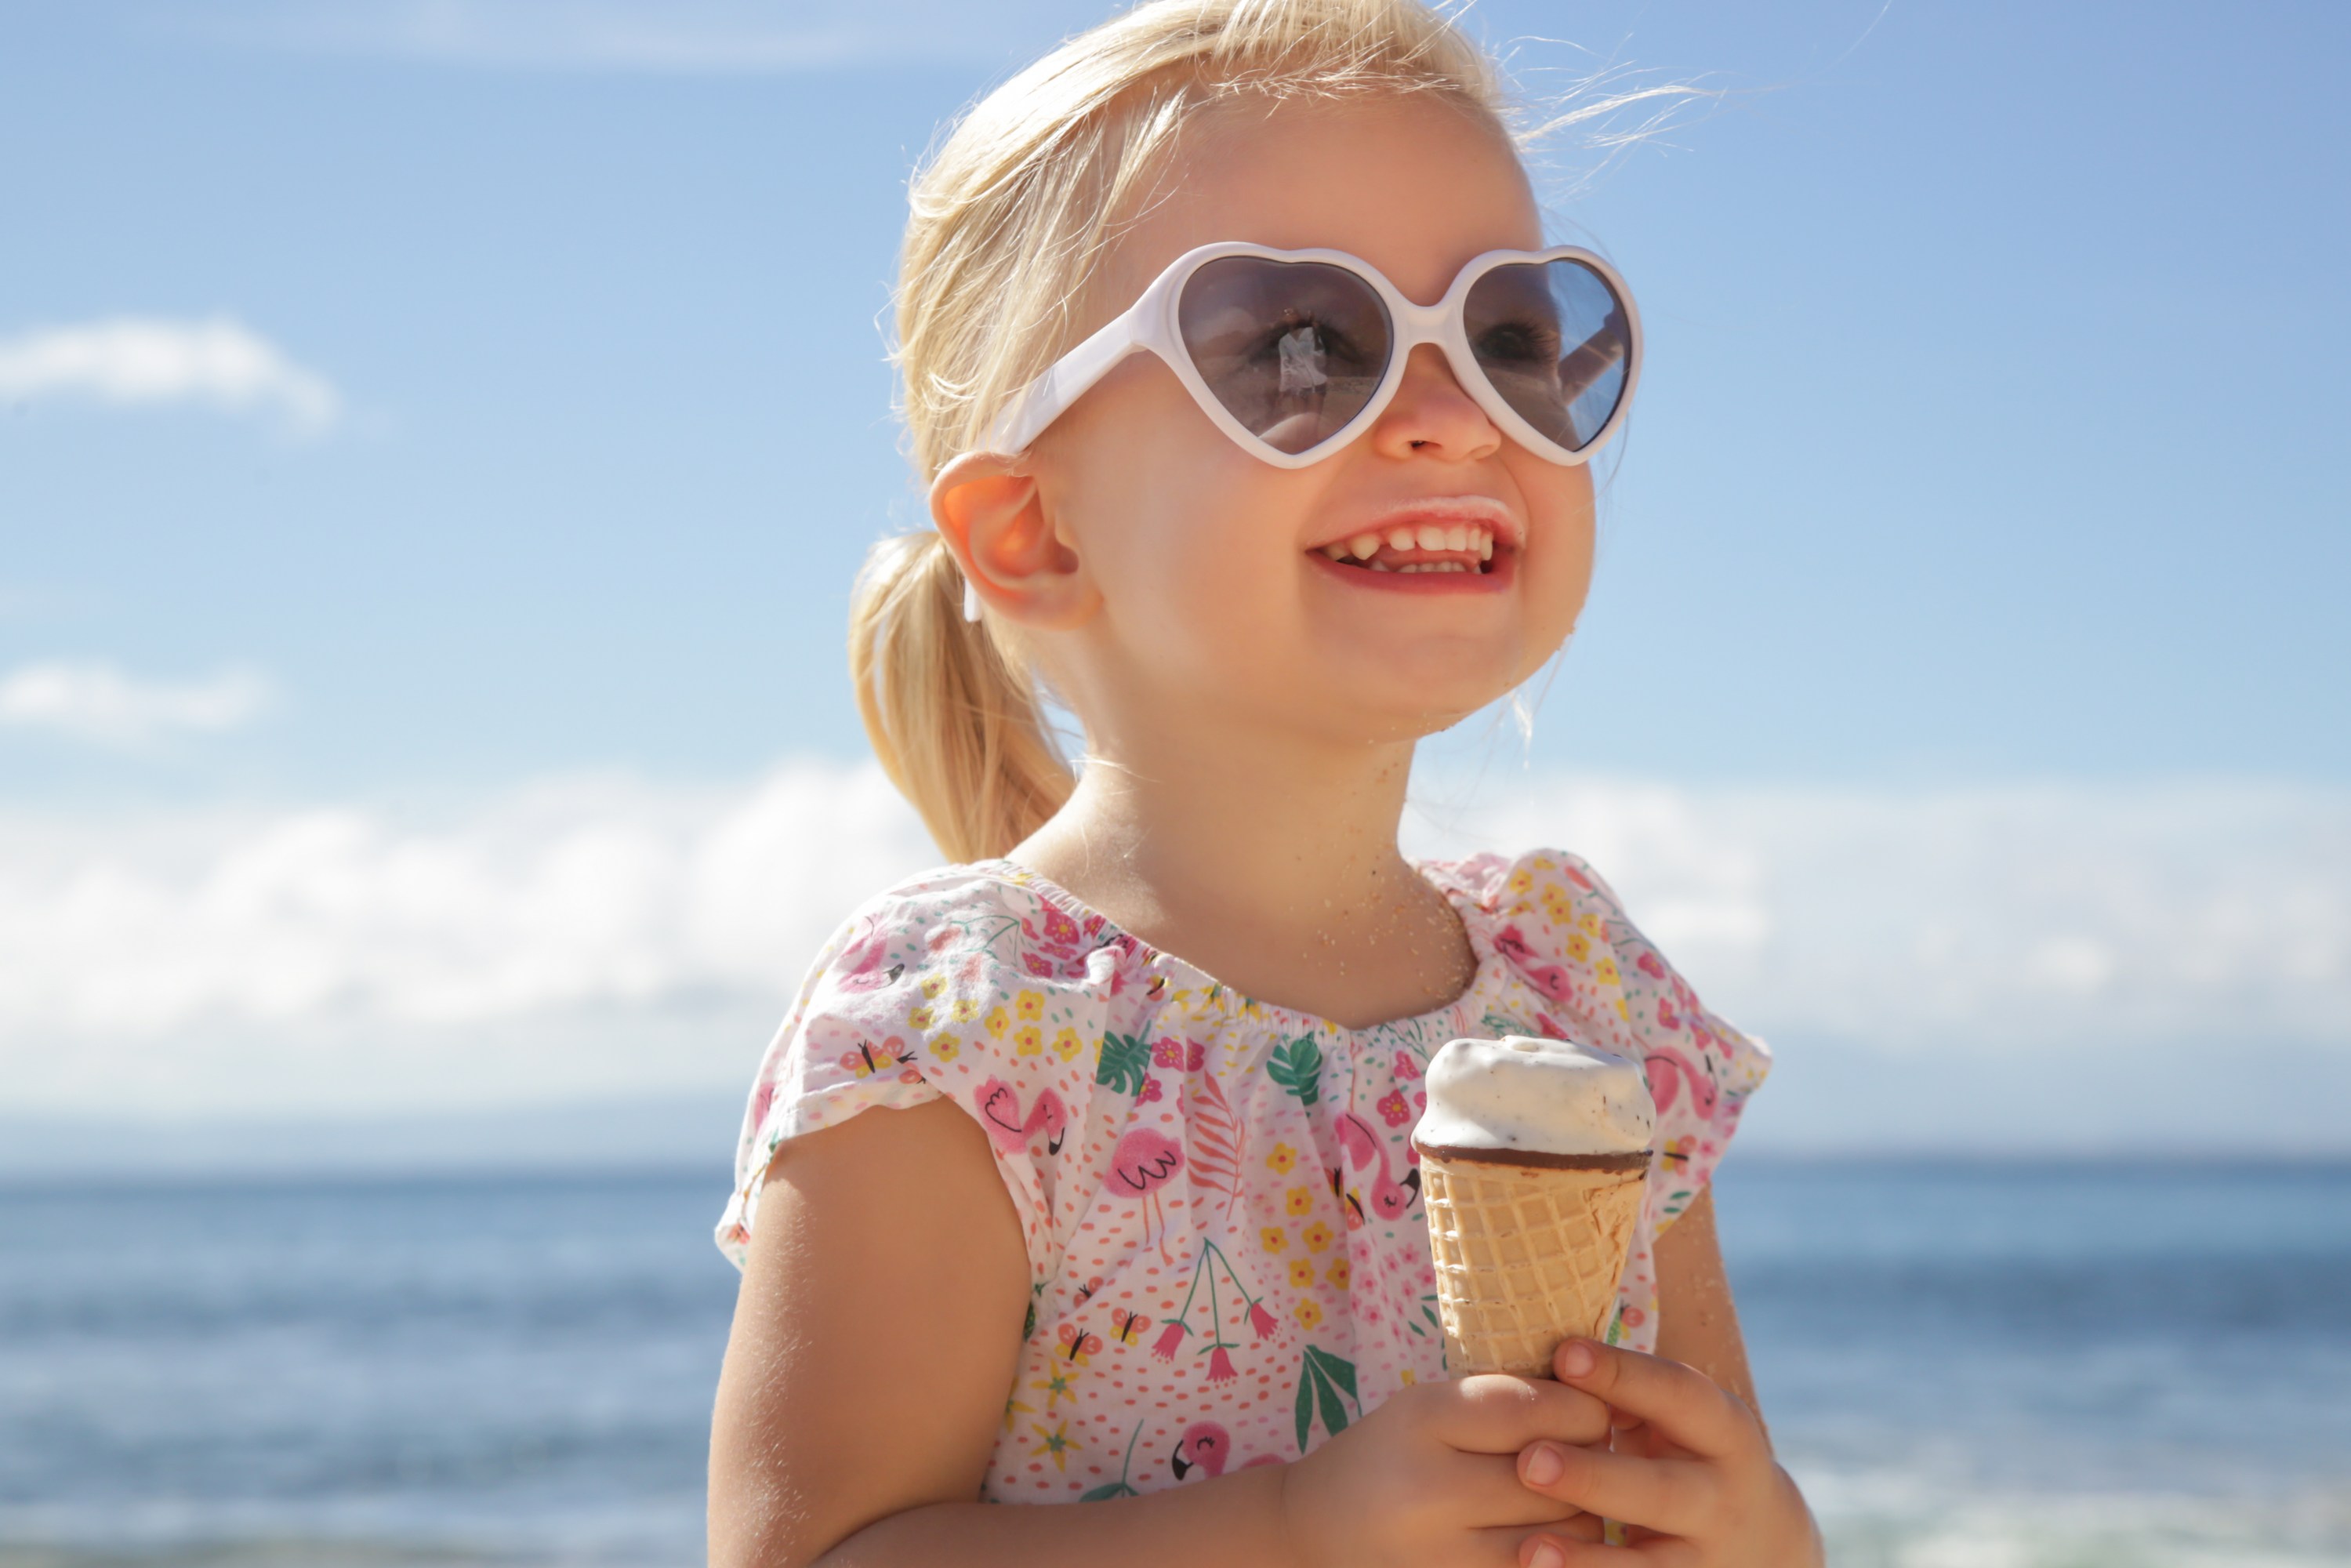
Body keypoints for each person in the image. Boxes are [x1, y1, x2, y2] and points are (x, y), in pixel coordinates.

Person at [709, 2, 1818, 1563]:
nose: (1452, 417)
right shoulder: (967, 1018)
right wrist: (1289, 1532)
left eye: (1512, 339)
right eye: (1305, 347)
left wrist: (1751, 1534)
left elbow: (1723, 1486)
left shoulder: (1587, 988)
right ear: (1036, 531)